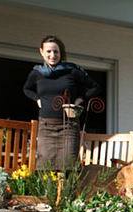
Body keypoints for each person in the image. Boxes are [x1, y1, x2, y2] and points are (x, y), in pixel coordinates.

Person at [23, 35, 100, 170]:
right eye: (48, 51)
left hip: (68, 127)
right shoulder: (37, 73)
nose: (52, 55)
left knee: (69, 167)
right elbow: (26, 89)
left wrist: (80, 99)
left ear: (61, 53)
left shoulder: (72, 71)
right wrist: (37, 99)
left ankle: (68, 192)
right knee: (45, 169)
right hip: (46, 127)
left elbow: (95, 86)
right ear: (41, 52)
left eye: (56, 51)